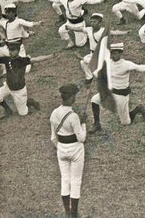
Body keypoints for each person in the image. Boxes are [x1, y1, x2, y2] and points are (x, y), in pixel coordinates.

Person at [90, 41, 145, 132]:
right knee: (94, 99)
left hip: (121, 95)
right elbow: (93, 59)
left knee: (125, 122)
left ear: (121, 53)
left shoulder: (126, 64)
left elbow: (139, 67)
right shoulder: (107, 62)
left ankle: (138, 109)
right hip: (110, 92)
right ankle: (97, 124)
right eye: (112, 53)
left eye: (116, 53)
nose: (113, 56)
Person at [50, 83, 87, 218]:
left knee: (65, 179)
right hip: (76, 150)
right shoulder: (73, 116)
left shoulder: (54, 113)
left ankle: (67, 212)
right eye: (74, 96)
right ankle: (74, 214)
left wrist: (61, 148)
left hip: (61, 149)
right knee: (76, 181)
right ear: (71, 97)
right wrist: (83, 123)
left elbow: (53, 137)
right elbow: (82, 138)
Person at [0, 40, 55, 116]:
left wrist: (50, 56)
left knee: (23, 113)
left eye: (13, 50)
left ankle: (29, 101)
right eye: (9, 50)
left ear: (18, 50)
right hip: (8, 86)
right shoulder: (6, 59)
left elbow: (37, 59)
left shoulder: (22, 61)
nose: (10, 52)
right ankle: (8, 111)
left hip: (19, 90)